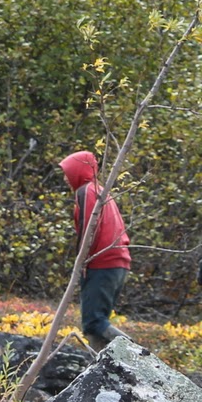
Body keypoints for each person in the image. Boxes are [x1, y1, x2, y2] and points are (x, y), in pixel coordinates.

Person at [60, 150, 132, 352]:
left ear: (78, 171)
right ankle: (99, 363)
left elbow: (89, 228)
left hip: (102, 263)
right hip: (116, 263)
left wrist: (81, 262)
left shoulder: (86, 191)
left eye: (67, 173)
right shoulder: (100, 190)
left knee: (94, 322)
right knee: (95, 324)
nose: (65, 178)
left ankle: (136, 353)